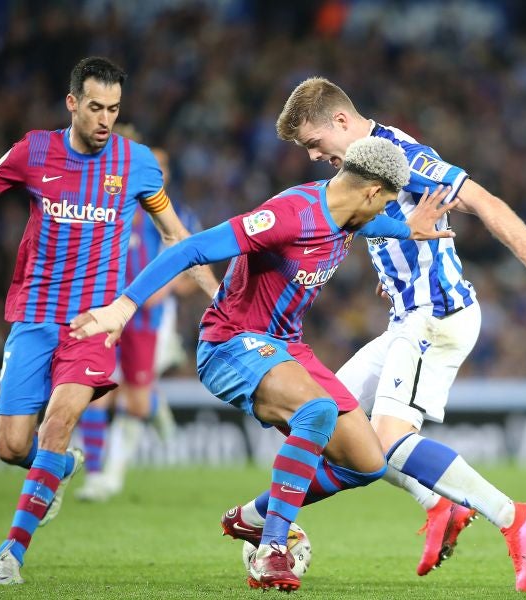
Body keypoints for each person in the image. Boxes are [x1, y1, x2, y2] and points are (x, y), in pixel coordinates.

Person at [220, 77, 526, 593]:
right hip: (408, 314)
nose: (313, 156)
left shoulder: (405, 156)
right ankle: (434, 501)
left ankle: (513, 517)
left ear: (342, 123)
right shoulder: (365, 169)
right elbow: (391, 226)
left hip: (433, 316)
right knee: (331, 426)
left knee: (389, 441)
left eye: (314, 143)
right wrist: (394, 270)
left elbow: (481, 199)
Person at [69, 136, 459, 591]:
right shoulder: (290, 215)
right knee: (318, 411)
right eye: (388, 203)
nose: (385, 213)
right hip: (231, 343)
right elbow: (189, 249)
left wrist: (408, 228)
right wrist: (125, 306)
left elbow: (373, 228)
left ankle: (250, 519)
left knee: (366, 462)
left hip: (286, 345)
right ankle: (272, 550)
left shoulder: (354, 214)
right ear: (372, 191)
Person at [0, 57, 219, 586]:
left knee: (58, 422)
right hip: (32, 317)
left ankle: (10, 554)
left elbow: (174, 233)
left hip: (94, 323)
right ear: (72, 103)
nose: (104, 120)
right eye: (95, 107)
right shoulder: (33, 151)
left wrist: (215, 290)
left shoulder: (136, 164)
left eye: (114, 109)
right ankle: (63, 468)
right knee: (10, 447)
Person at [75, 140, 200, 502]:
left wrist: (167, 287)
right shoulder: (117, 209)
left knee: (136, 399)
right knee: (98, 392)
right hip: (108, 313)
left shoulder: (181, 216)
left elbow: (196, 269)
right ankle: (98, 475)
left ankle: (154, 405)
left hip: (152, 321)